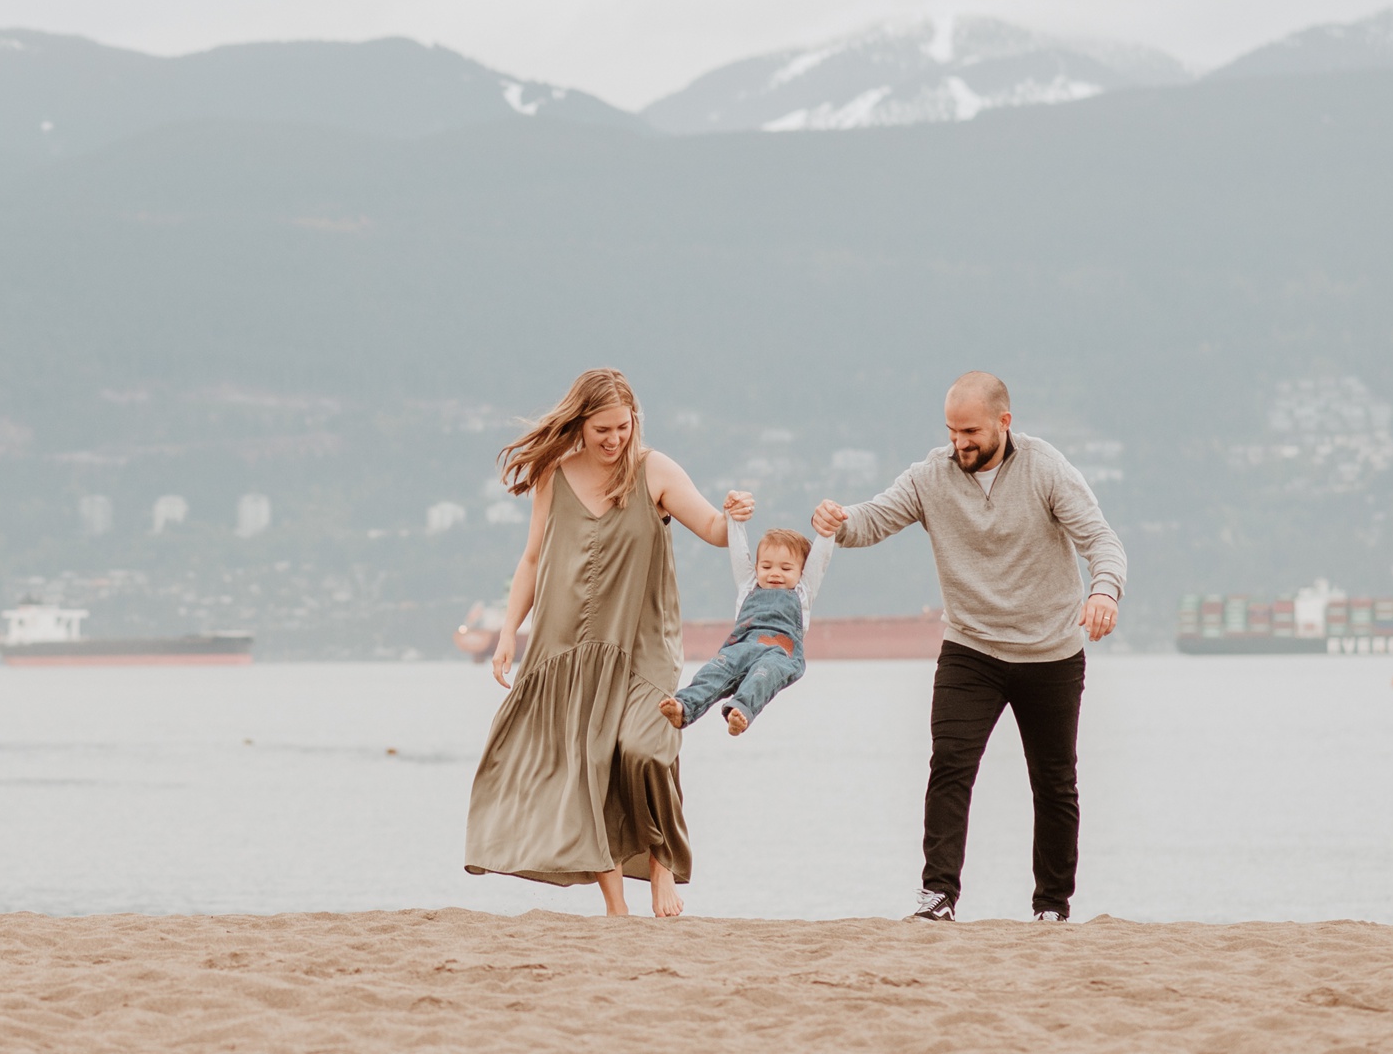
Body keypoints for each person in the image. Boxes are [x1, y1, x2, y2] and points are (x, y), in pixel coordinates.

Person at [812, 371, 1126, 923]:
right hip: (971, 649)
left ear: (1005, 423)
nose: (960, 442)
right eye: (953, 431)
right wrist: (838, 522)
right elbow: (873, 521)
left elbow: (1101, 540)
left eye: (971, 431)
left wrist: (1103, 592)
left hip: (1050, 651)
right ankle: (938, 897)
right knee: (950, 766)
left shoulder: (1044, 467)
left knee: (1054, 781)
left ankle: (1052, 907)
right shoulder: (930, 476)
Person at [464, 367, 752, 917]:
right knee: (588, 766)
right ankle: (616, 906)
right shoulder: (554, 473)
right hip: (568, 646)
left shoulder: (654, 471)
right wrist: (507, 634)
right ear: (580, 423)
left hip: (643, 643)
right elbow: (531, 558)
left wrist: (733, 514)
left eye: (623, 427)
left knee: (644, 749)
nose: (615, 439)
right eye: (602, 429)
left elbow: (714, 530)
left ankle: (661, 864)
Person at [661, 528, 811, 735]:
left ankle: (740, 711)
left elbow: (819, 562)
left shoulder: (803, 592)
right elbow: (739, 552)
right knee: (712, 672)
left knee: (762, 677)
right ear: (756, 567)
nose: (775, 573)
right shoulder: (749, 585)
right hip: (740, 647)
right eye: (766, 566)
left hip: (779, 653)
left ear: (802, 573)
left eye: (786, 569)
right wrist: (736, 519)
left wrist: (828, 532)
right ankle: (683, 707)